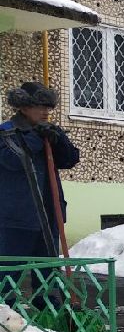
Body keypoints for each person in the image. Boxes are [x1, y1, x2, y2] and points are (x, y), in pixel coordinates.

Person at [0, 82, 80, 307]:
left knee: (47, 276)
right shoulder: (7, 132)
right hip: (17, 218)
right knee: (8, 276)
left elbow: (70, 159)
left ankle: (49, 316)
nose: (46, 112)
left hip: (48, 215)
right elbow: (16, 160)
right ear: (24, 107)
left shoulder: (48, 131)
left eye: (48, 107)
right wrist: (36, 137)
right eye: (39, 106)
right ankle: (7, 321)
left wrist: (59, 139)